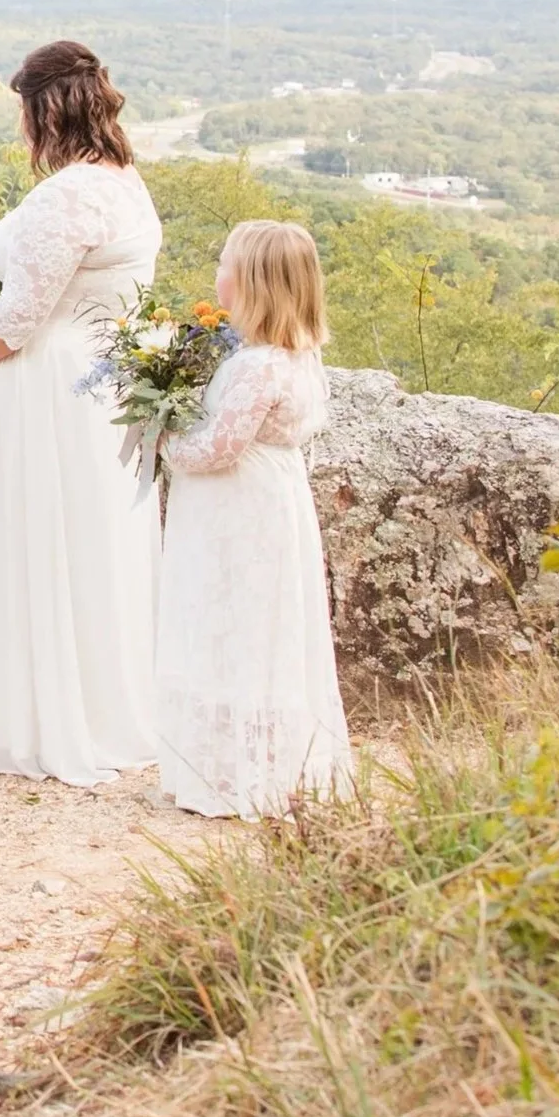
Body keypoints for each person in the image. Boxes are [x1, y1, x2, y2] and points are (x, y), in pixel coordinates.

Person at [0, 41, 163, 785]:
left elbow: (19, 317)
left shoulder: (68, 195)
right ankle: (100, 701)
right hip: (99, 384)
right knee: (93, 545)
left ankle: (42, 717)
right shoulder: (126, 183)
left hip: (47, 389)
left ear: (45, 111)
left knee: (43, 537)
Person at [157, 221, 352, 819]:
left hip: (236, 511)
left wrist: (161, 439)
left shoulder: (256, 367)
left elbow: (219, 447)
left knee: (231, 623)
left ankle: (231, 773)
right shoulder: (296, 358)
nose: (217, 272)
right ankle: (261, 761)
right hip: (273, 502)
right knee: (267, 629)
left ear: (254, 283)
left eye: (225, 262)